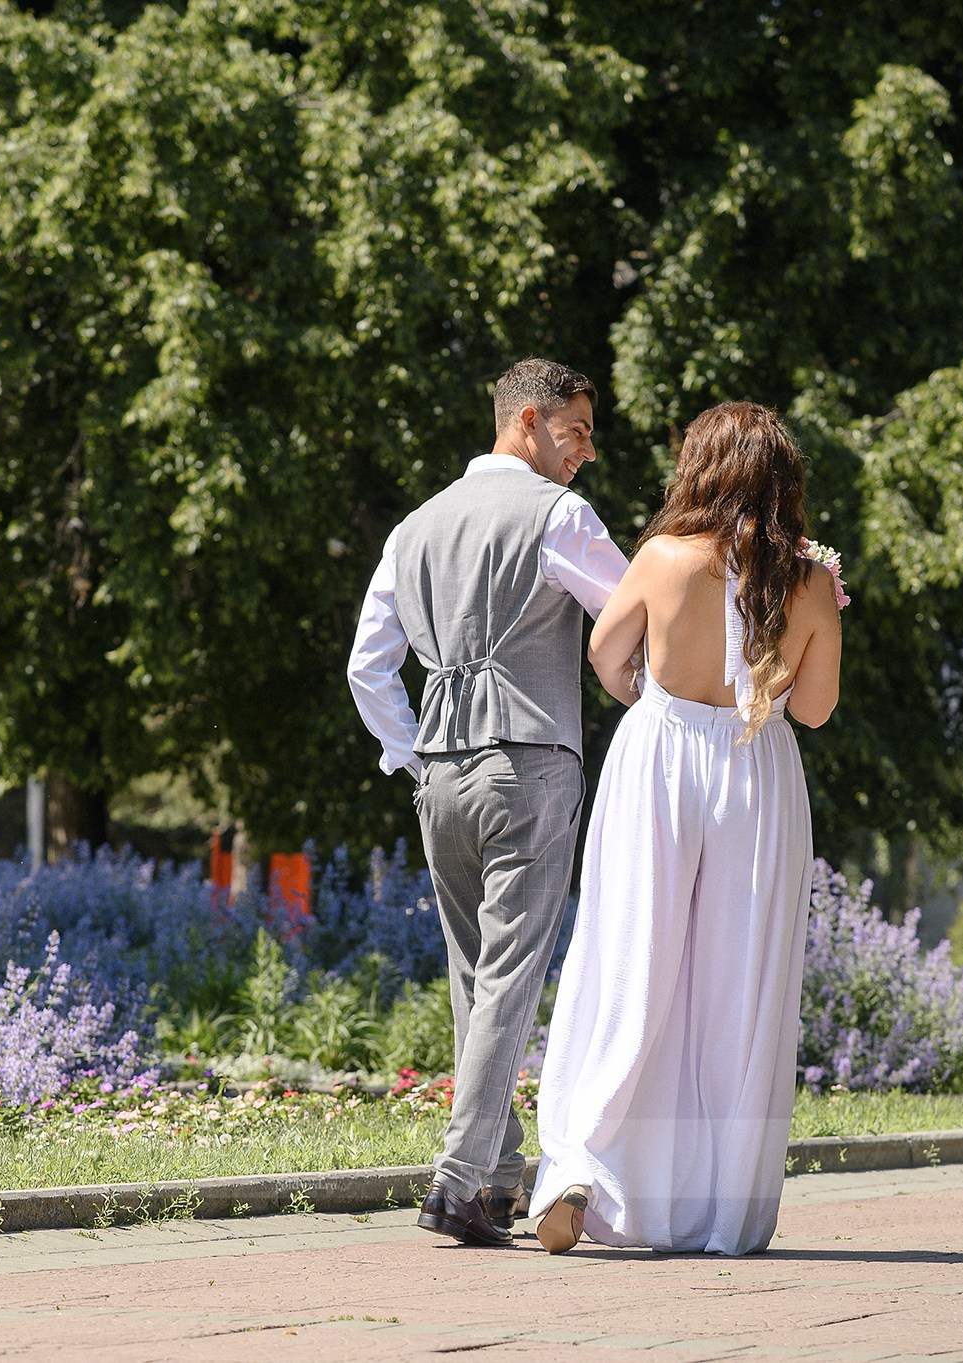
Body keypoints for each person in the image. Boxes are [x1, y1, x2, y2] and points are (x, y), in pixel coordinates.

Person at [528, 401, 842, 1257]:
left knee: (628, 956)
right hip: (756, 771)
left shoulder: (663, 556)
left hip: (658, 762)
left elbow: (605, 652)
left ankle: (580, 1162)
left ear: (701, 469)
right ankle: (720, 1212)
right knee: (740, 983)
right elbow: (815, 709)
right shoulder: (811, 581)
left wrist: (654, 698)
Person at [347, 357, 629, 1246]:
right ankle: (458, 1179)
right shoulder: (559, 515)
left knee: (475, 978)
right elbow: (631, 616)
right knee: (507, 976)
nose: (587, 452)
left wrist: (412, 754)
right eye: (577, 430)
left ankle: (498, 1175)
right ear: (527, 422)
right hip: (530, 763)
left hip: (441, 775)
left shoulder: (414, 526)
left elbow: (367, 665)